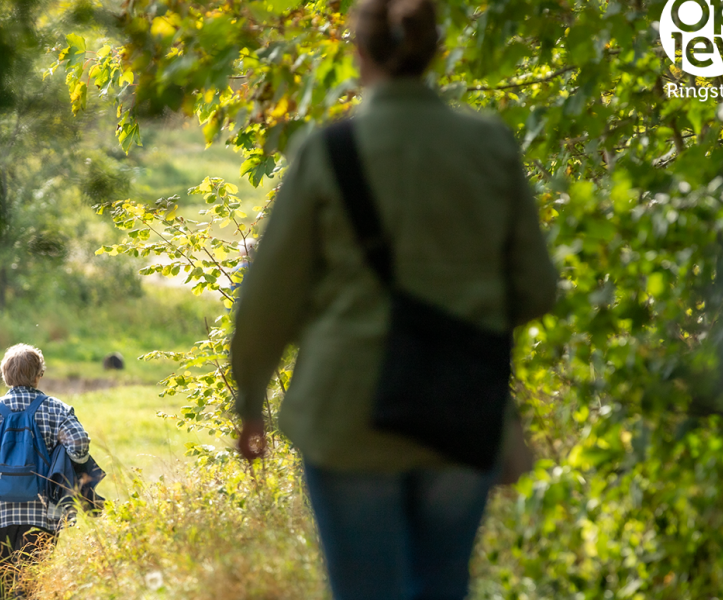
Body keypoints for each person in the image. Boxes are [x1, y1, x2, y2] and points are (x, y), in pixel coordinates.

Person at [229, 0, 558, 598]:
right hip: (460, 409)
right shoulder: (490, 146)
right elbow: (537, 289)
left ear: (358, 52)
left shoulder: (327, 152)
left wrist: (250, 402)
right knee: (442, 586)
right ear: (437, 51)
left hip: (346, 416)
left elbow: (268, 299)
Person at [0, 344, 91, 600]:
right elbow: (80, 442)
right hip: (42, 514)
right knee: (32, 585)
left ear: (5, 375)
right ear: (38, 375)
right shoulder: (55, 409)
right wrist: (70, 460)